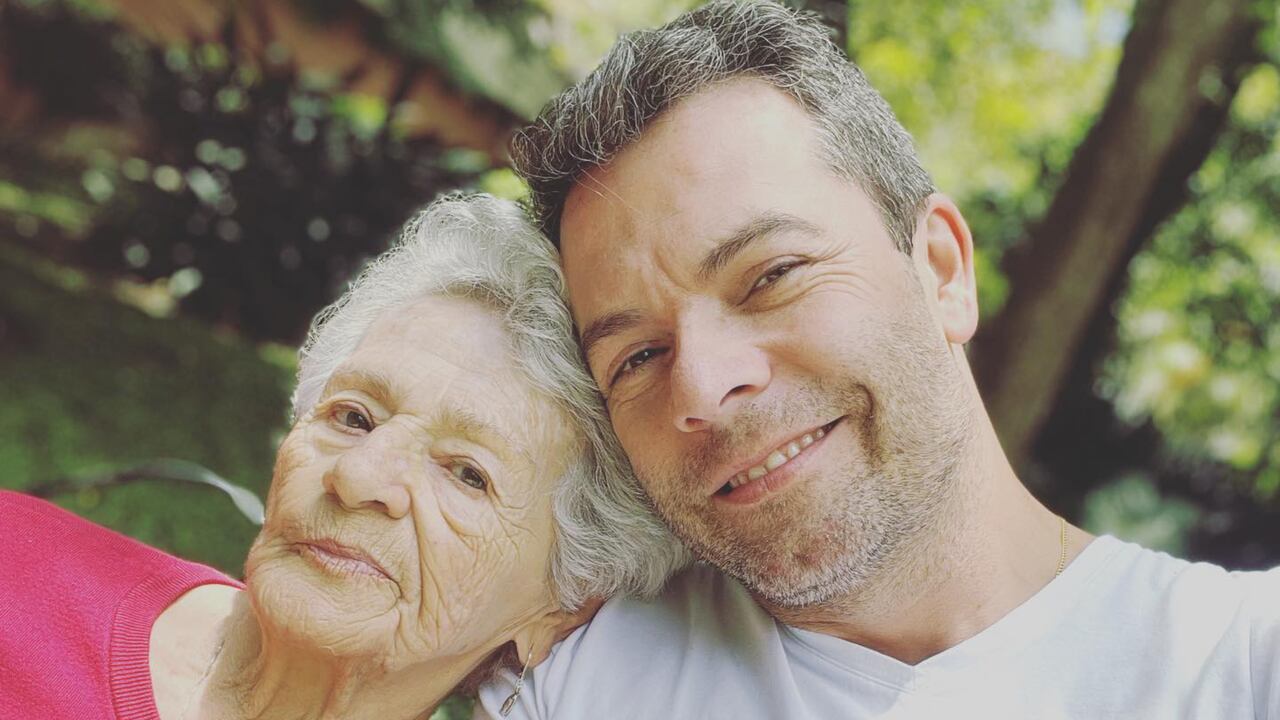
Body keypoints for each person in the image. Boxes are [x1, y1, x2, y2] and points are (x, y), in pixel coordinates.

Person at [475, 2, 1280, 718]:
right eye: (638, 356)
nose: (706, 387)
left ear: (940, 270)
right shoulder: (564, 683)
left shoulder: (1240, 663)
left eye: (771, 276)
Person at [0, 194, 686, 720]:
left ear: (561, 610)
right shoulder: (17, 569)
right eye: (353, 416)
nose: (357, 477)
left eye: (466, 473)